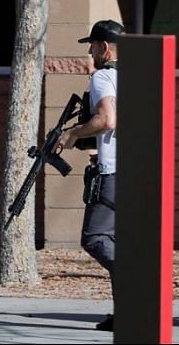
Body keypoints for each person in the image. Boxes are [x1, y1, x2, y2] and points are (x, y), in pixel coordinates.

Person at [55, 19, 123, 331]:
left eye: (93, 46)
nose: (90, 52)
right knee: (118, 240)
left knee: (96, 238)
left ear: (105, 47)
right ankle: (127, 311)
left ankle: (138, 286)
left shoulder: (103, 78)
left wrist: (72, 134)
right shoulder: (140, 76)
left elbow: (107, 120)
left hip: (113, 172)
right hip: (140, 171)